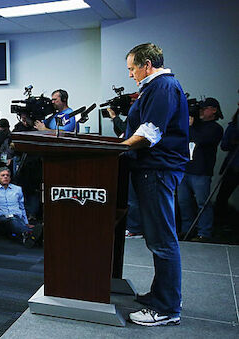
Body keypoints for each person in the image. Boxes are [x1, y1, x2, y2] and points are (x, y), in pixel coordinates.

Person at [121, 43, 188, 327]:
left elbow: (149, 133)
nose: (130, 74)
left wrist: (117, 148)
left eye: (132, 68)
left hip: (157, 170)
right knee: (158, 239)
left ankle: (167, 308)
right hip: (153, 170)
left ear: (147, 64)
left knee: (162, 240)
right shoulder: (157, 87)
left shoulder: (162, 87)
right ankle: (162, 295)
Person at [177, 97, 224, 241]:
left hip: (201, 172)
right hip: (185, 170)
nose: (201, 111)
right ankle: (187, 230)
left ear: (214, 110)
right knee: (184, 202)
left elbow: (200, 139)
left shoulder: (216, 128)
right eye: (201, 109)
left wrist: (190, 126)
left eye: (205, 109)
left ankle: (204, 233)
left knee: (202, 203)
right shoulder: (194, 126)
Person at [0, 167, 38, 247]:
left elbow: (22, 207)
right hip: (2, 218)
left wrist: (26, 222)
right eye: (3, 175)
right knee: (12, 220)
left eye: (7, 175)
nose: (5, 177)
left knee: (15, 220)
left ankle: (26, 236)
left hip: (17, 217)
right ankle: (29, 233)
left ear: (10, 178)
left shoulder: (17, 189)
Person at [214, 106, 239, 230]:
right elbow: (224, 145)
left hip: (234, 165)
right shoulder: (233, 126)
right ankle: (222, 224)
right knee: (222, 197)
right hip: (233, 166)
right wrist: (233, 142)